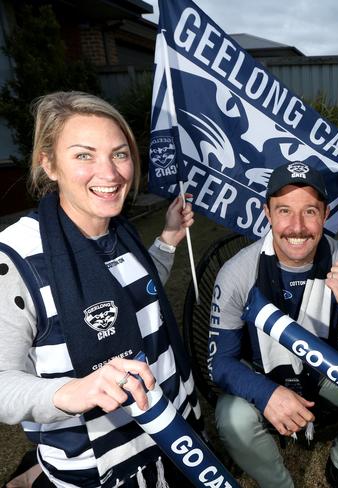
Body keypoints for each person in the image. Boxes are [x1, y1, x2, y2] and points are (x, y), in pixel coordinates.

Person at [0, 91, 200, 487]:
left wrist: (168, 240)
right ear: (48, 164)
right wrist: (73, 392)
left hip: (168, 432)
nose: (110, 174)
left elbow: (136, 295)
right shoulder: (16, 259)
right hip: (96, 464)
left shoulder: (121, 231)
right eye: (84, 155)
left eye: (120, 154)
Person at [207, 161, 338, 488]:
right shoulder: (238, 272)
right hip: (261, 371)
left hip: (323, 371)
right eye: (284, 211)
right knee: (231, 417)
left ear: (325, 215)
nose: (297, 226)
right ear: (267, 214)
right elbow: (219, 364)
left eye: (310, 211)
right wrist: (266, 393)